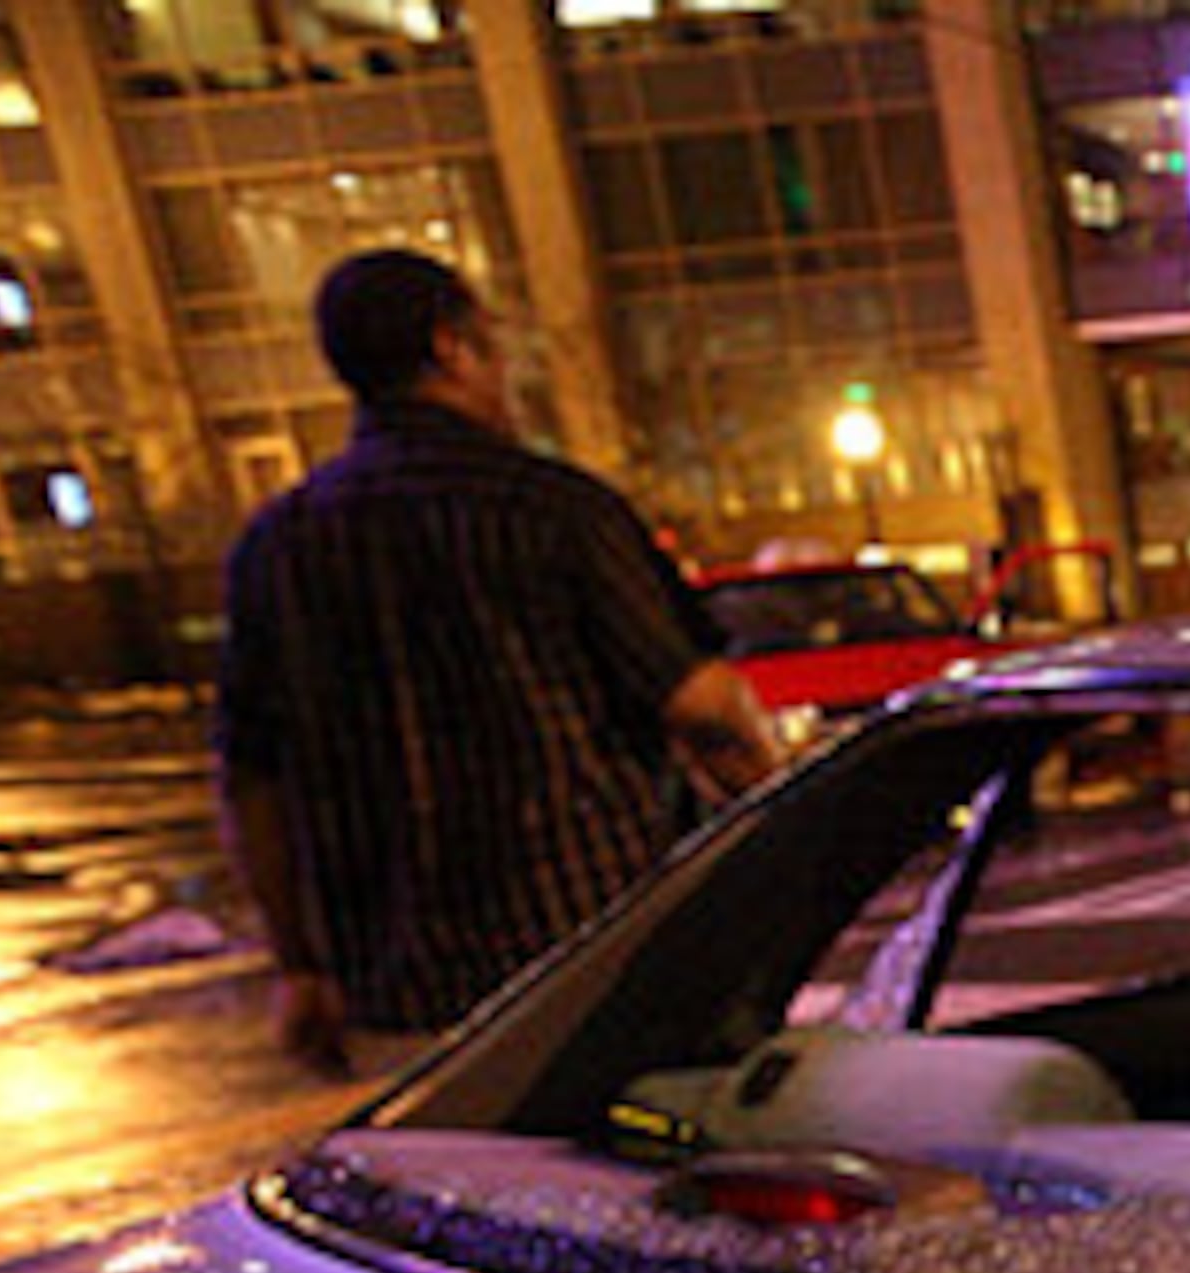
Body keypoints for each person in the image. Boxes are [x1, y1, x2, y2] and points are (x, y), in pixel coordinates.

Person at [218, 249, 775, 1071]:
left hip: (398, 1005)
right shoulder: (554, 510)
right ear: (451, 348)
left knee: (449, 1195)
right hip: (586, 970)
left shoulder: (278, 544)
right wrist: (782, 830)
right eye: (494, 347)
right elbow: (702, 708)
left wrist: (300, 965)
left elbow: (252, 781)